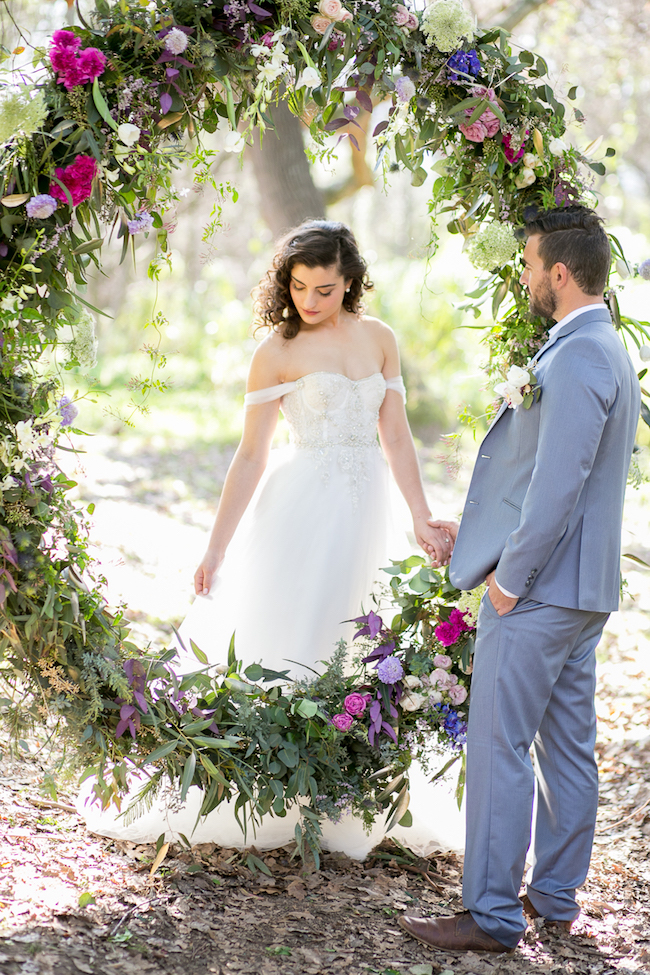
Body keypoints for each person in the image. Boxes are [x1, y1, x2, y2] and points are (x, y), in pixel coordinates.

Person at [79, 220, 464, 859]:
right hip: (299, 504)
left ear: (352, 284)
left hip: (368, 504)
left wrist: (421, 516)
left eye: (326, 290)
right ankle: (269, 783)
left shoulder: (380, 339)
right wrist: (215, 547)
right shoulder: (276, 350)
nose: (311, 302)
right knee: (293, 629)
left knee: (357, 636)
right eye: (300, 287)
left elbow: (395, 436)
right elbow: (251, 456)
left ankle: (344, 791)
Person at [401, 205, 640, 952]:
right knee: (566, 747)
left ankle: (494, 914)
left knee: (500, 744)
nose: (527, 275)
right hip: (584, 589)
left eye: (532, 264)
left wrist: (509, 578)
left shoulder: (575, 357)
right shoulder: (606, 347)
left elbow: (558, 483)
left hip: (539, 590)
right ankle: (556, 895)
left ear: (560, 274)